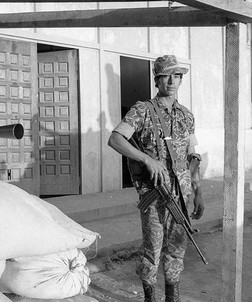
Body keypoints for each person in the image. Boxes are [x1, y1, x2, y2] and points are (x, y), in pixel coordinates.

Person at [107, 55, 204, 302]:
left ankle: (173, 297)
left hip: (181, 195)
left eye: (177, 76)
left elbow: (193, 156)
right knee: (153, 250)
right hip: (154, 195)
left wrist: (197, 191)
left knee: (178, 249)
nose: (172, 81)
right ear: (157, 80)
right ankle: (150, 297)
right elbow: (116, 139)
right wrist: (147, 160)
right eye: (166, 76)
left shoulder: (187, 116)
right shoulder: (143, 111)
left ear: (181, 80)